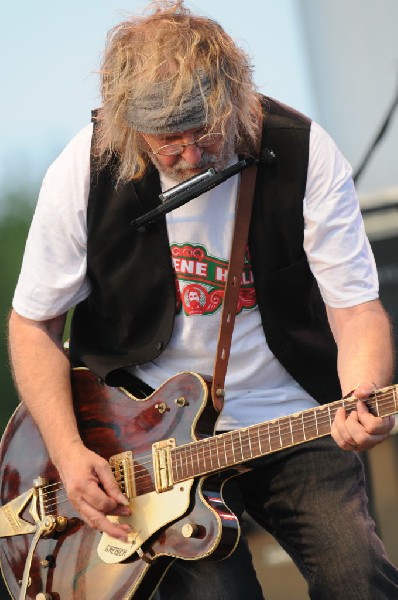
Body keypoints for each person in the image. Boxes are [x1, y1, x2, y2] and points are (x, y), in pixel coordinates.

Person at [8, 1, 398, 598]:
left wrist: (361, 393)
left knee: (360, 578)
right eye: (168, 139)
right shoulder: (81, 173)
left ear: (236, 97)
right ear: (127, 125)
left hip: (292, 418)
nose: (190, 155)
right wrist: (65, 449)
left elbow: (355, 309)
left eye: (205, 130)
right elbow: (32, 325)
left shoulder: (302, 150)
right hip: (148, 449)